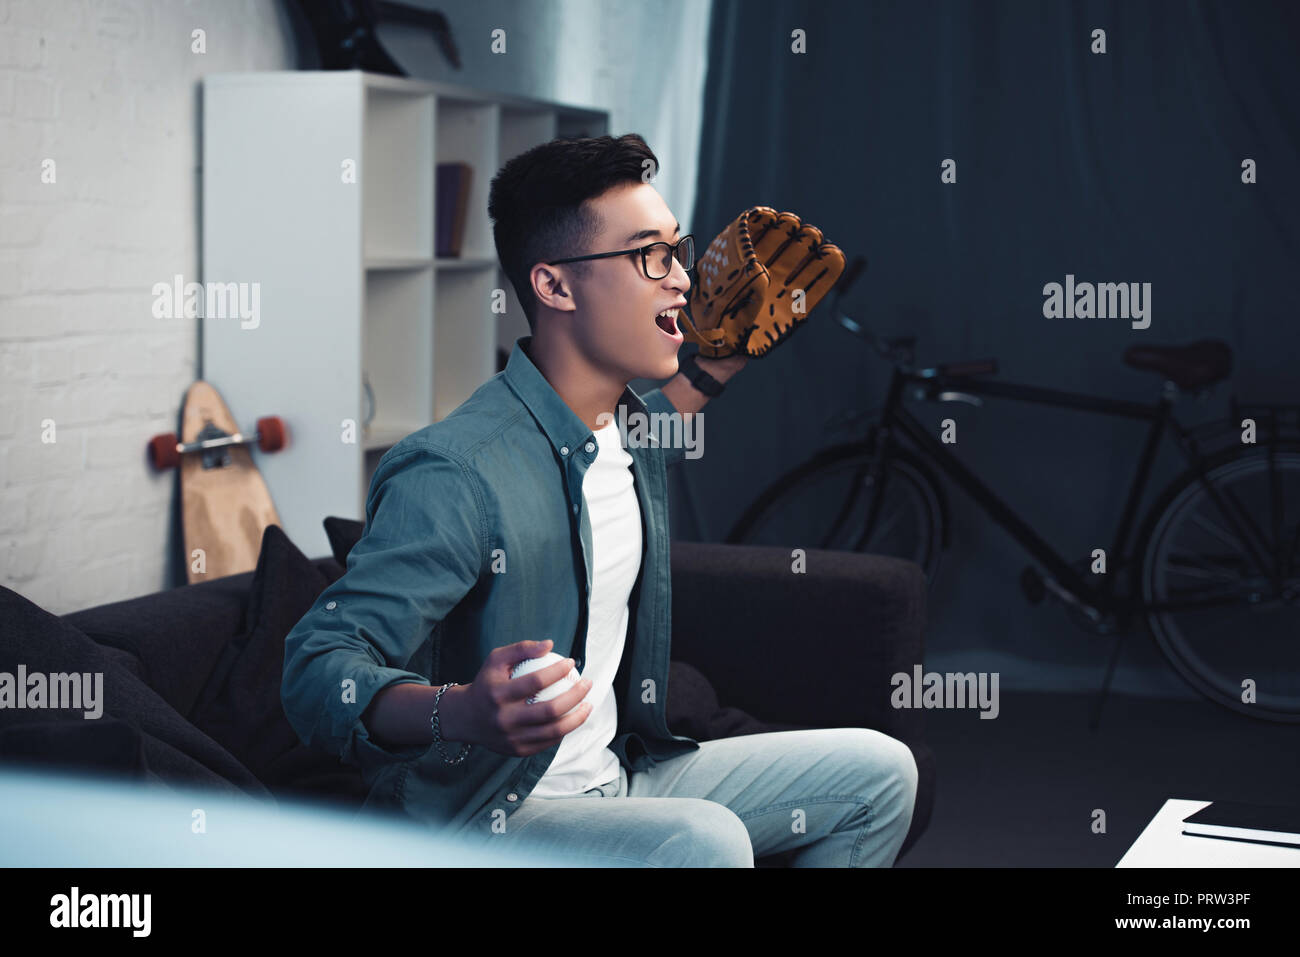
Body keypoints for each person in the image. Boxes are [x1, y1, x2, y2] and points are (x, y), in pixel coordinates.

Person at [282, 133, 917, 867]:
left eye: (679, 251)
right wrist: (455, 708)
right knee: (706, 840)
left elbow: (651, 433)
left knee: (881, 772)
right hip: (490, 814)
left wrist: (721, 362)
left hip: (621, 777)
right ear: (555, 286)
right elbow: (315, 665)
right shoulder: (454, 470)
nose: (682, 279)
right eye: (651, 255)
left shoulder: (623, 428)